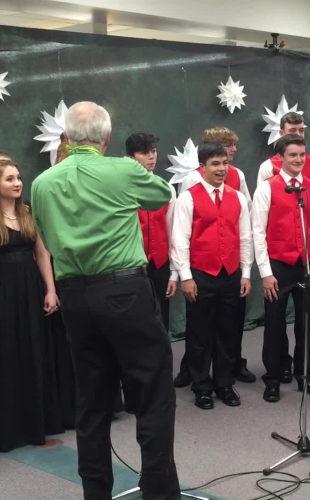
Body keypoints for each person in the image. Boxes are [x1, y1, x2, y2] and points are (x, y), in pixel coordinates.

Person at [31, 102, 180, 500]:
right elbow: (163, 194)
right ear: (107, 138)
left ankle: (96, 494)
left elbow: (45, 232)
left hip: (75, 297)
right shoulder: (123, 169)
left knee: (92, 401)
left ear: (67, 135)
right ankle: (158, 493)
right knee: (152, 393)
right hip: (124, 292)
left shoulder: (42, 183)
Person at [171, 143, 253, 410]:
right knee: (200, 334)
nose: (221, 169)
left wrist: (246, 272)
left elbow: (245, 237)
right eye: (215, 164)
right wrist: (185, 276)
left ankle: (224, 384)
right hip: (201, 275)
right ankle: (201, 386)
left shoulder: (238, 197)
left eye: (224, 163)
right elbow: (180, 240)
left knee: (228, 332)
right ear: (202, 167)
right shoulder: (188, 198)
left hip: (231, 273)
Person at [252, 134, 310, 403]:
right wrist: (265, 272)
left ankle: (308, 377)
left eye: (301, 155)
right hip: (278, 265)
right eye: (292, 155)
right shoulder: (266, 188)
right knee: (274, 324)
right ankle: (272, 379)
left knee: (308, 324)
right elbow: (257, 233)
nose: (298, 160)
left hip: (308, 265)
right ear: (281, 158)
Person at [0, 159, 63, 452]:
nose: (17, 183)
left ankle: (38, 423)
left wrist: (50, 290)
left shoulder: (27, 213)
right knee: (8, 357)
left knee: (34, 353)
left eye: (18, 177)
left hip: (31, 291)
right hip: (4, 295)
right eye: (9, 178)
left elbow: (42, 254)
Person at [126, 132, 178, 331]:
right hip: (132, 265)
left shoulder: (166, 188)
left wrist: (174, 273)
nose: (151, 157)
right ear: (131, 157)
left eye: (154, 151)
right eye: (144, 152)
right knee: (136, 321)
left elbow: (172, 231)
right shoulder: (122, 189)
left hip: (160, 264)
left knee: (162, 318)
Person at [257, 112, 310, 186]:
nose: (298, 135)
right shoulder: (268, 167)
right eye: (292, 131)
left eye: (301, 131)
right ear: (281, 133)